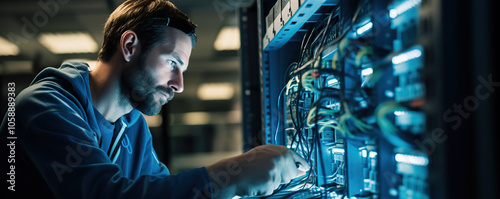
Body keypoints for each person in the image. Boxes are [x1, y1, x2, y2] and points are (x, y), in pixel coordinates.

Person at [0, 0, 309, 198]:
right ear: (130, 45)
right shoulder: (42, 108)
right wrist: (232, 175)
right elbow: (104, 195)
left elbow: (158, 190)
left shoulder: (131, 122)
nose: (179, 85)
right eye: (172, 63)